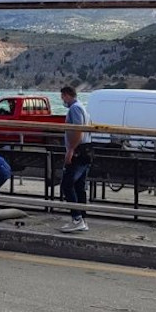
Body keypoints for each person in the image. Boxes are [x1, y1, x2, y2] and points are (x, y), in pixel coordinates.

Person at [59, 86, 91, 233]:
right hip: (86, 150)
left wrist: (71, 150)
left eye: (62, 97)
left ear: (67, 95)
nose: (62, 100)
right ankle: (82, 219)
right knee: (79, 186)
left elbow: (78, 130)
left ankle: (77, 218)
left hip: (78, 151)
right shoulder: (82, 107)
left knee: (67, 184)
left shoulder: (74, 109)